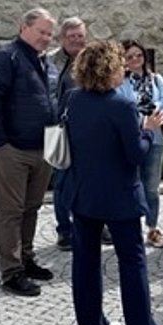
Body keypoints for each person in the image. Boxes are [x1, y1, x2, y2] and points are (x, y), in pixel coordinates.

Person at [64, 40, 163, 325]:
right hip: (119, 196)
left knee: (85, 262)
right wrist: (148, 129)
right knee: (132, 262)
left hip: (84, 193)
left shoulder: (74, 99)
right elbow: (135, 154)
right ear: (109, 68)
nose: (124, 68)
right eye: (120, 64)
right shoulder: (121, 105)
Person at [0, 7, 59, 298]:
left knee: (32, 208)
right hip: (14, 149)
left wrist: (55, 143)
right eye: (42, 31)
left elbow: (51, 103)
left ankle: (26, 258)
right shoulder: (6, 57)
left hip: (43, 147)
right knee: (11, 212)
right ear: (24, 27)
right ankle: (11, 272)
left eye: (49, 34)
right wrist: (1, 143)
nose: (46, 38)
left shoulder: (45, 62)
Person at [118, 40, 163, 248]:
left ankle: (152, 228)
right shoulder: (120, 82)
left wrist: (153, 110)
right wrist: (143, 119)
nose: (135, 59)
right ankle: (130, 229)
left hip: (155, 139)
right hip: (130, 140)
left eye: (138, 55)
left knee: (151, 187)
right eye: (130, 56)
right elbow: (121, 106)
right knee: (129, 185)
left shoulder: (156, 79)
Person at [51, 17, 87, 250]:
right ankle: (64, 229)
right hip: (56, 131)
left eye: (80, 35)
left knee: (91, 179)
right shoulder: (49, 60)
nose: (76, 40)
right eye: (71, 36)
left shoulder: (92, 58)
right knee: (62, 182)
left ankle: (94, 224)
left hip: (89, 131)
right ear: (62, 38)